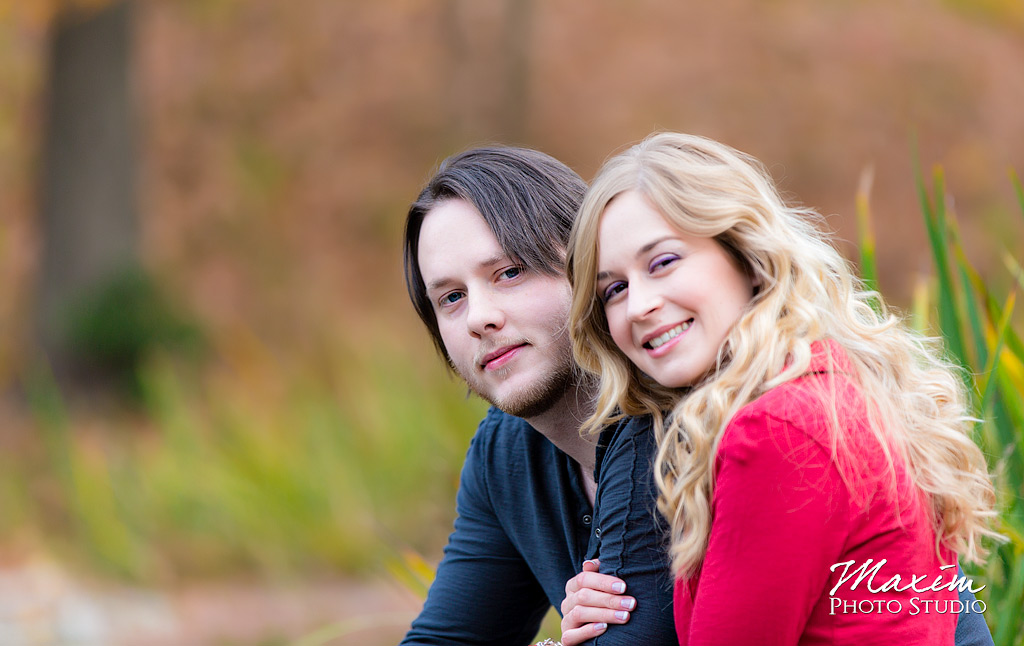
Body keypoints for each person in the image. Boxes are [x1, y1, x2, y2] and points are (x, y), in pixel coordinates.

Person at [564, 132, 1001, 645]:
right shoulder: (824, 385)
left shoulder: (779, 429)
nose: (638, 305)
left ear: (744, 255)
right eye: (614, 289)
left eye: (663, 262)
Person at [399, 146, 677, 645]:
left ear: (589, 265)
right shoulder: (506, 452)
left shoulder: (670, 422)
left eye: (509, 272)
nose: (480, 317)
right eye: (451, 298)